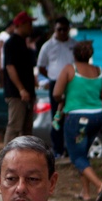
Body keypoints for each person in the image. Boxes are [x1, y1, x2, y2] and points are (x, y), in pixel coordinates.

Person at [53, 41, 102, 201]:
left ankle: (100, 185)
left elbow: (56, 93)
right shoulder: (99, 71)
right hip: (97, 117)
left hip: (77, 118)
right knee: (83, 153)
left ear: (74, 54)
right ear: (90, 55)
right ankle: (85, 193)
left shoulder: (70, 69)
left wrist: (65, 98)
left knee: (77, 156)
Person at [37, 16, 76, 158]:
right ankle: (58, 149)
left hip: (72, 84)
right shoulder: (47, 46)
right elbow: (41, 66)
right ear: (55, 29)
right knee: (57, 116)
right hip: (55, 84)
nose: (62, 32)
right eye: (59, 29)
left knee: (72, 116)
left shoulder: (74, 44)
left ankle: (72, 149)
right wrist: (53, 78)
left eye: (65, 30)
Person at [2, 11, 36, 144]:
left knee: (27, 129)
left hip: (27, 91)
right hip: (17, 94)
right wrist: (21, 89)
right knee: (15, 126)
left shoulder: (24, 43)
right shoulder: (11, 43)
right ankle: (6, 156)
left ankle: (25, 155)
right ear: (21, 25)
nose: (31, 27)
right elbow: (10, 67)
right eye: (29, 24)